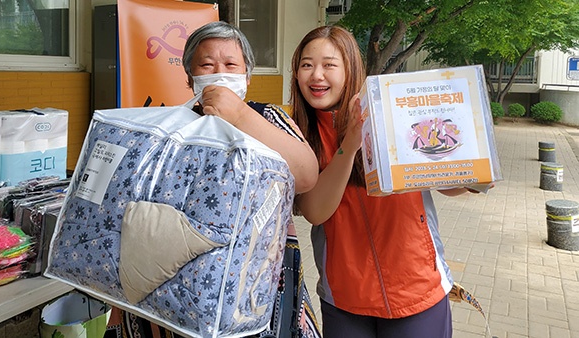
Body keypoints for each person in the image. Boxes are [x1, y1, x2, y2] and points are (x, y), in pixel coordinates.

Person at [107, 21, 322, 338]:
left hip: (256, 284)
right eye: (207, 65)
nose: (220, 72)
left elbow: (305, 175)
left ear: (247, 76)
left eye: (231, 64)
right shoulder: (171, 128)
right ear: (190, 77)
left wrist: (238, 115)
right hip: (177, 281)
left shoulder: (268, 117)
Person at [290, 25, 478, 338]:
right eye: (307, 65)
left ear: (350, 69)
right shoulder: (295, 133)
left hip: (417, 289)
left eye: (329, 65)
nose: (317, 75)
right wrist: (349, 146)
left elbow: (443, 181)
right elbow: (315, 212)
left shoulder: (391, 113)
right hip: (345, 296)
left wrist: (471, 176)